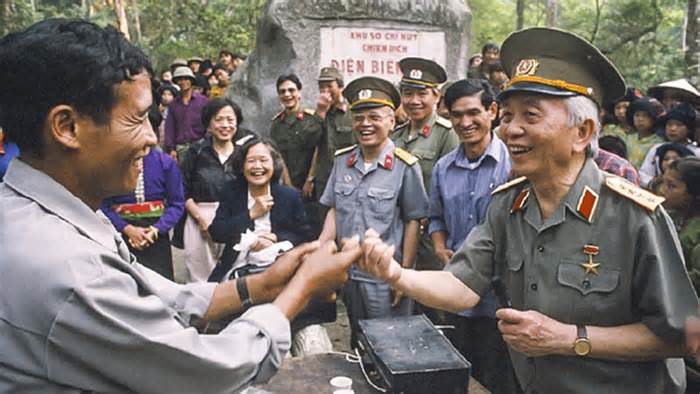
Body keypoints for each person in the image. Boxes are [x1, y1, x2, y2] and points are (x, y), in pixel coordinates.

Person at [0, 18, 361, 393]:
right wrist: (301, 288)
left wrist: (264, 284)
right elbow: (211, 372)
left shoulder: (50, 215)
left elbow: (164, 296)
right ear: (67, 127)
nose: (150, 139)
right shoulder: (68, 270)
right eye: (138, 118)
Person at [356, 27, 698, 393]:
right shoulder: (508, 204)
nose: (509, 130)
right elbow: (462, 285)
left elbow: (683, 337)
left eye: (530, 116)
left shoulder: (635, 217)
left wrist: (570, 338)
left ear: (581, 132)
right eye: (507, 116)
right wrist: (395, 273)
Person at [318, 76, 429, 346]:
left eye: (374, 117)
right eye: (358, 118)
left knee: (391, 343)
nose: (365, 124)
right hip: (348, 272)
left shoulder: (405, 166)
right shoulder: (343, 160)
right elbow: (334, 208)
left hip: (384, 275)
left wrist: (403, 275)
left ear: (391, 121)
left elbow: (413, 221)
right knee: (357, 339)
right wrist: (322, 250)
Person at [428, 79, 517, 394]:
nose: (465, 123)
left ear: (492, 111)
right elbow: (435, 216)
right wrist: (440, 247)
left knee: (498, 376)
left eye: (473, 113)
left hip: (502, 295)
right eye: (456, 115)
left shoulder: (514, 164)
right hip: (457, 290)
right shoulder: (442, 169)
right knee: (460, 371)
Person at [391, 57, 459, 274]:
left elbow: (452, 190)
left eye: (422, 94)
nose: (414, 101)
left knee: (431, 301)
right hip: (395, 231)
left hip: (430, 238)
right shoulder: (396, 136)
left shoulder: (446, 134)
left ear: (436, 96)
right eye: (408, 94)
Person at [180, 98, 246, 282]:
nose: (225, 125)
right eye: (219, 119)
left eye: (230, 120)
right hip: (199, 217)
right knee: (200, 277)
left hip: (234, 218)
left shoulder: (244, 154)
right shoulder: (196, 152)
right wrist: (201, 219)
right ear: (209, 124)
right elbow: (181, 190)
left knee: (232, 275)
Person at [101, 148, 185, 280]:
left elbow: (177, 203)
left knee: (160, 286)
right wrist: (127, 229)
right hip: (119, 236)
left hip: (156, 235)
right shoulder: (111, 163)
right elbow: (101, 205)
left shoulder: (165, 162)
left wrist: (156, 229)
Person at [308, 66, 355, 230]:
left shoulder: (352, 113)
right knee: (324, 225)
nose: (326, 91)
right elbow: (309, 143)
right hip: (325, 179)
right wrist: (320, 113)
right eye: (322, 87)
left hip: (349, 179)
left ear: (340, 87)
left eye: (330, 86)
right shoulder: (318, 113)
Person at [638, 102, 699, 187]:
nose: (673, 129)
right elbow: (644, 173)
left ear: (688, 129)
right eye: (669, 124)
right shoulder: (657, 148)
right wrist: (654, 183)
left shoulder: (696, 153)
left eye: (679, 125)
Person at [163, 66, 209, 161]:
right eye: (180, 79)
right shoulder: (173, 104)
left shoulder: (203, 101)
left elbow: (209, 124)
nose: (183, 82)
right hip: (181, 147)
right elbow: (170, 128)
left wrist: (207, 143)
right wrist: (171, 149)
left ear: (191, 81)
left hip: (201, 145)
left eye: (186, 79)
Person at [624, 96, 665, 169]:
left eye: (645, 116)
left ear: (653, 118)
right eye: (637, 115)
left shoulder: (658, 142)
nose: (640, 119)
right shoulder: (628, 138)